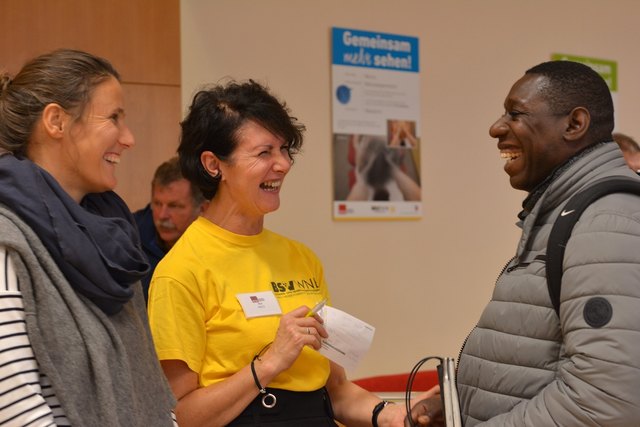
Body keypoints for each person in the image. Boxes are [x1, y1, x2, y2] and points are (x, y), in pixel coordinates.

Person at [147, 80, 437, 426]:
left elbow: (336, 390)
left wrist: (392, 415)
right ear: (214, 164)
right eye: (264, 152)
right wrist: (268, 364)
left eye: (285, 150)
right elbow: (179, 416)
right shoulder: (180, 272)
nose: (283, 164)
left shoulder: (301, 258)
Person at [408, 60, 640, 426]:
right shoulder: (566, 212)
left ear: (574, 124)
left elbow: (604, 402)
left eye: (515, 114)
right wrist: (459, 403)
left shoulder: (608, 222)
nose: (496, 128)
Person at [0, 49, 176, 425]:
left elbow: (152, 389)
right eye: (113, 117)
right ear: (56, 121)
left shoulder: (113, 237)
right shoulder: (8, 240)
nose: (128, 138)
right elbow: (16, 407)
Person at [134, 156, 208, 302]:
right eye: (157, 203)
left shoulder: (216, 245)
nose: (162, 215)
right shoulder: (128, 235)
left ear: (202, 209)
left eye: (174, 206)